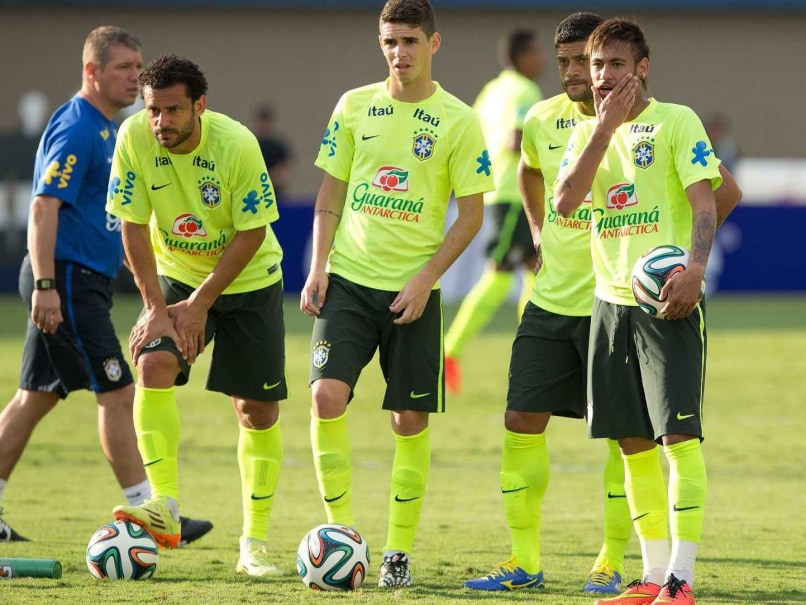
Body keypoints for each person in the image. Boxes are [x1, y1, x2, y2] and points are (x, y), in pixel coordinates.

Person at [300, 0, 494, 588]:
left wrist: (426, 277)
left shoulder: (459, 119)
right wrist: (319, 265)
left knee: (408, 420)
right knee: (325, 398)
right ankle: (342, 538)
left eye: (410, 41)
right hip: (350, 283)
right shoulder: (353, 106)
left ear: (433, 44)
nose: (398, 53)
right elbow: (330, 193)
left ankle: (397, 553)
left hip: (414, 292)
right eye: (389, 41)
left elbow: (471, 215)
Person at [553, 19, 741, 605]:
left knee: (677, 439)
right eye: (596, 64)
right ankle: (654, 577)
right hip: (608, 303)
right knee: (631, 443)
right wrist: (605, 128)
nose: (604, 75)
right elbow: (563, 202)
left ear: (643, 68)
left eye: (616, 64)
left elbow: (710, 200)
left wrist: (694, 268)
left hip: (667, 305)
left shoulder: (676, 121)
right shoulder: (586, 131)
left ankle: (682, 580)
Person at [0, 26, 211, 547]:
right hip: (67, 279)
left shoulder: (107, 128)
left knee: (32, 400)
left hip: (76, 281)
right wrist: (46, 284)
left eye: (138, 65)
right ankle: (152, 513)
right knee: (117, 391)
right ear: (91, 72)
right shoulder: (78, 127)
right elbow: (43, 205)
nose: (134, 76)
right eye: (123, 67)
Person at [464, 12, 634, 595]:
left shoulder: (641, 125)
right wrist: (538, 232)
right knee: (519, 421)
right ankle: (525, 562)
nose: (568, 73)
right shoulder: (539, 119)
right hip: (549, 302)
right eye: (560, 62)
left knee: (620, 435)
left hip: (612, 307)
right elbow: (531, 173)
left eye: (578, 62)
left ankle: (610, 561)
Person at [106, 54, 287, 578]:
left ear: (199, 106)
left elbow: (253, 232)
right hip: (177, 275)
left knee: (255, 411)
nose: (160, 121)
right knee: (152, 364)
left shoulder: (236, 144)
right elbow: (133, 227)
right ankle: (163, 505)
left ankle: (253, 545)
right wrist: (156, 309)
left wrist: (201, 304)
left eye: (173, 110)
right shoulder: (134, 138)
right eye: (153, 110)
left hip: (250, 279)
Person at [443, 28, 544, 393]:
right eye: (536, 52)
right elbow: (516, 140)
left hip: (496, 189)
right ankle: (448, 350)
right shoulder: (526, 91)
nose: (543, 60)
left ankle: (532, 352)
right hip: (514, 193)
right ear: (520, 56)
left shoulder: (490, 91)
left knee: (535, 269)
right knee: (501, 274)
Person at [252, 104, 292, 200]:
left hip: (275, 192)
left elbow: (285, 169)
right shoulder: (251, 144)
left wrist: (270, 179)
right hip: (254, 190)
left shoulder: (277, 146)